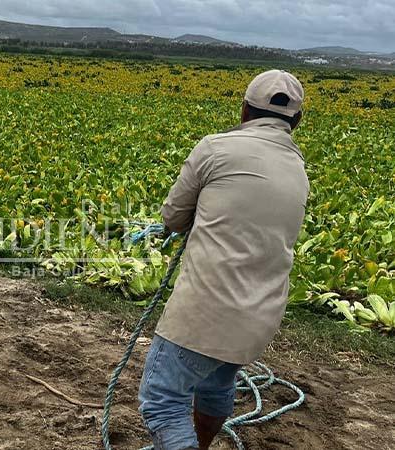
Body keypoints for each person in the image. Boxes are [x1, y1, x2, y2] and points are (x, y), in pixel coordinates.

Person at [138, 70, 309, 450]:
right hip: (259, 316)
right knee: (216, 382)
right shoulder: (298, 169)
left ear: (245, 111)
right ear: (296, 121)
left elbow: (173, 218)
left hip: (206, 310)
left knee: (162, 401)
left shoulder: (215, 148)